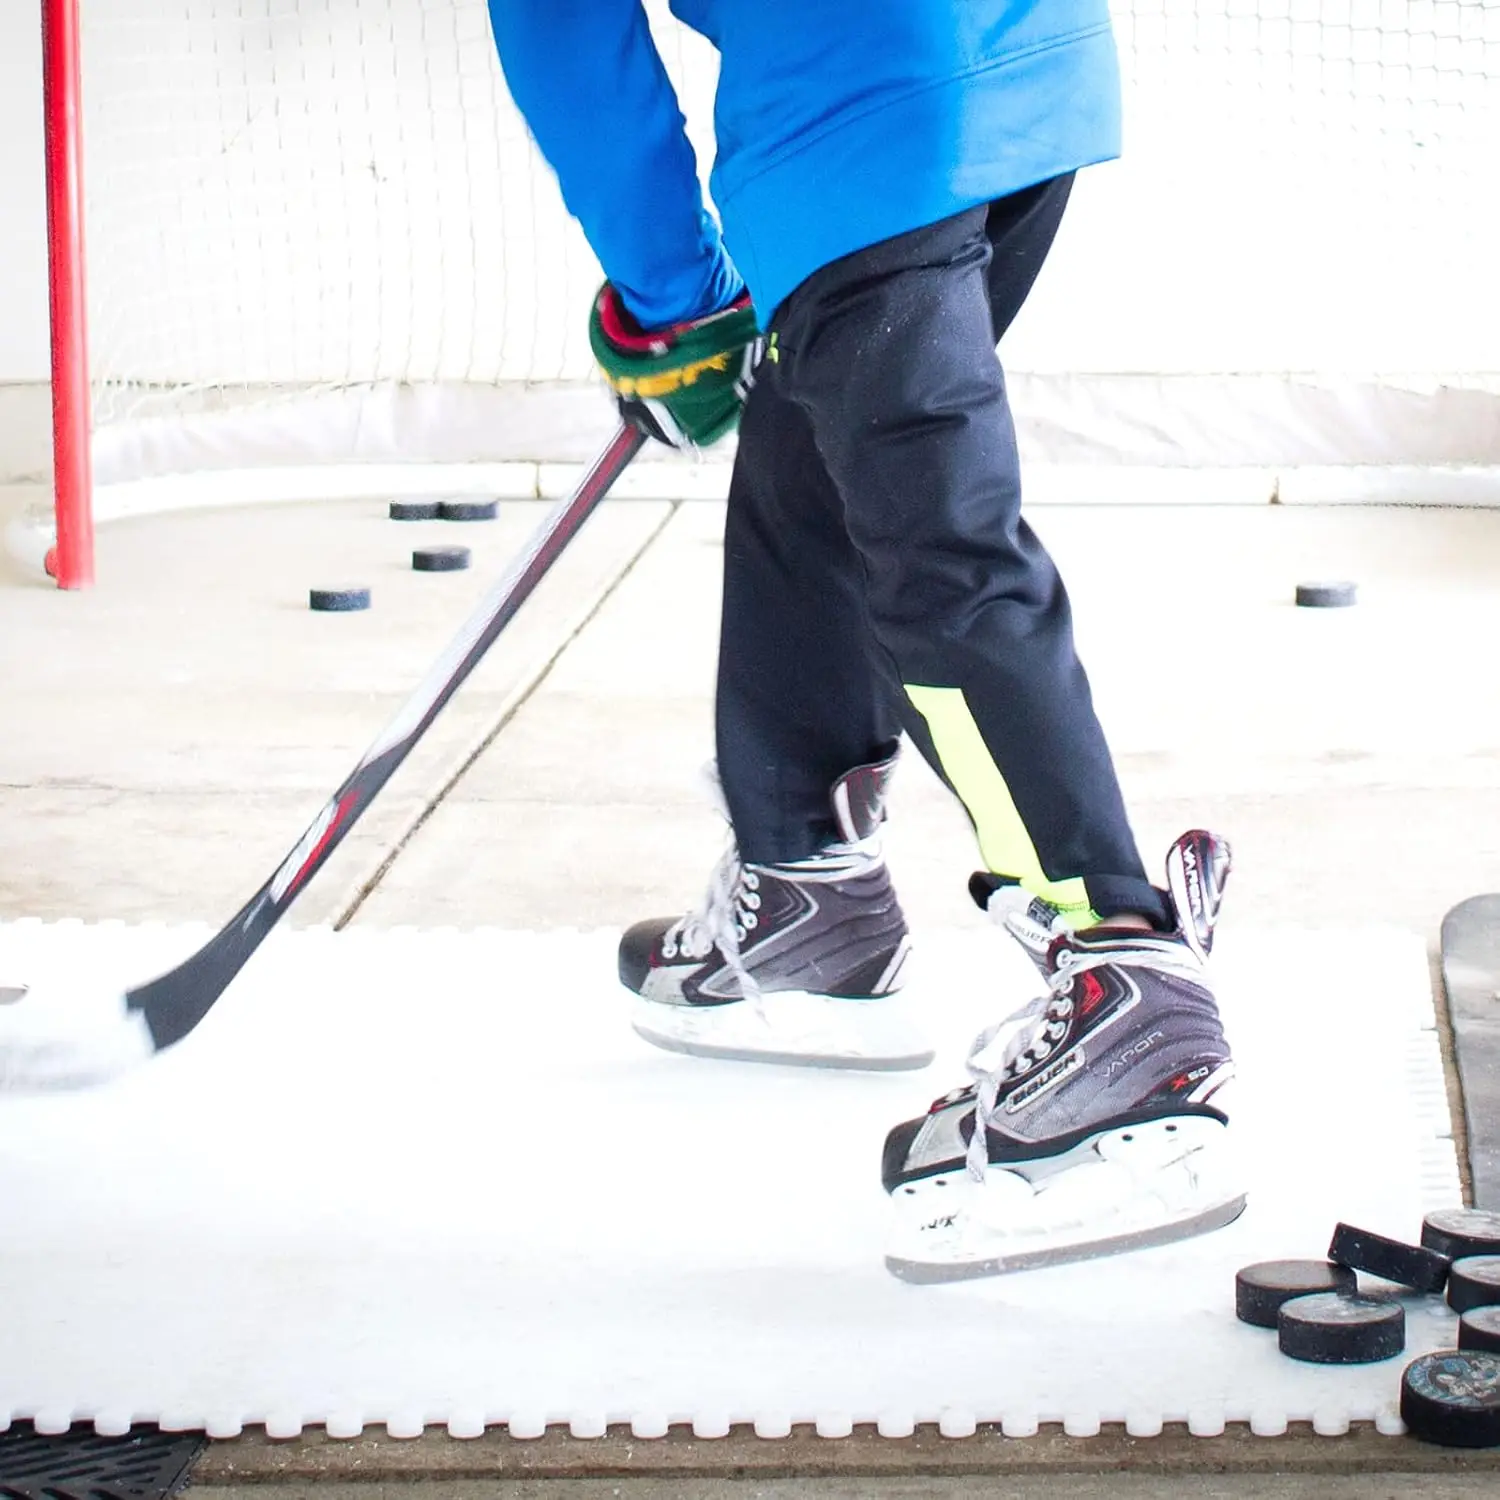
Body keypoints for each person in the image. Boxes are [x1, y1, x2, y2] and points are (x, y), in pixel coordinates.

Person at [486, 1, 1242, 1279]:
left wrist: (672, 297)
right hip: (1031, 75)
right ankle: (803, 886)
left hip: (853, 114)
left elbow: (567, 33)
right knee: (821, 463)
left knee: (937, 552)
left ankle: (1128, 985)